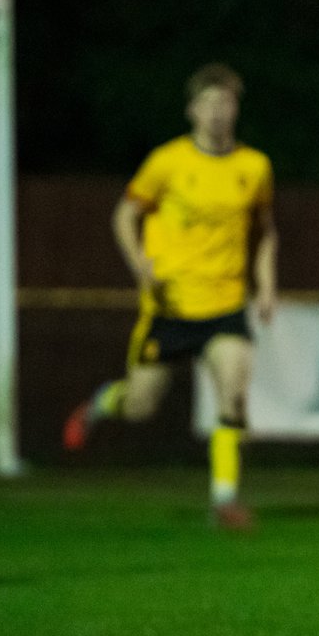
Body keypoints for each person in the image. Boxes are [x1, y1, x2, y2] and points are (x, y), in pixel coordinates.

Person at [63, 65, 278, 530]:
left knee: (234, 393)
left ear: (236, 109)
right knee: (141, 407)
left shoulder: (254, 167)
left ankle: (224, 500)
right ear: (192, 110)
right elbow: (124, 215)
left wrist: (266, 285)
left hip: (224, 304)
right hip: (170, 307)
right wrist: (139, 261)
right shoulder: (167, 162)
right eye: (209, 104)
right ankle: (104, 401)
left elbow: (265, 233)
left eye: (226, 104)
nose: (218, 113)